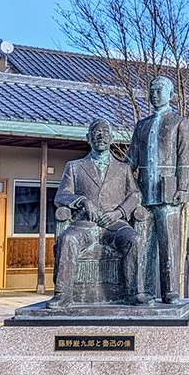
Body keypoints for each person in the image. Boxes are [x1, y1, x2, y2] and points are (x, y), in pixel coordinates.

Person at [49, 118, 146, 307]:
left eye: (105, 132)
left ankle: (135, 293)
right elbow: (61, 196)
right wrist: (83, 201)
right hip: (85, 225)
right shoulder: (74, 167)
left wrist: (119, 212)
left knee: (134, 239)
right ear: (88, 137)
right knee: (67, 239)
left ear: (112, 138)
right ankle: (63, 294)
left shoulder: (124, 168)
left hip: (114, 226)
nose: (101, 136)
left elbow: (135, 195)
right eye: (96, 132)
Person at [128, 76, 189, 303]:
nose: (154, 94)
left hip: (168, 194)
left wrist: (184, 188)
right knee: (143, 244)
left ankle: (170, 291)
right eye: (152, 89)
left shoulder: (178, 122)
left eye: (159, 90)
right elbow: (131, 163)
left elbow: (185, 159)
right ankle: (143, 291)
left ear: (171, 94)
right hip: (144, 196)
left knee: (169, 245)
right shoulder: (142, 126)